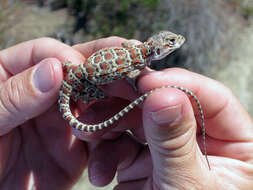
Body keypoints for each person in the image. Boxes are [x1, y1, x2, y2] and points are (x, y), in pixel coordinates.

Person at [0, 37, 252, 190]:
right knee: (103, 97)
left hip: (74, 70)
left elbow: (128, 61)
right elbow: (133, 81)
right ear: (158, 51)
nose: (175, 45)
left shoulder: (134, 51)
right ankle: (86, 96)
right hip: (82, 81)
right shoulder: (137, 64)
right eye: (171, 44)